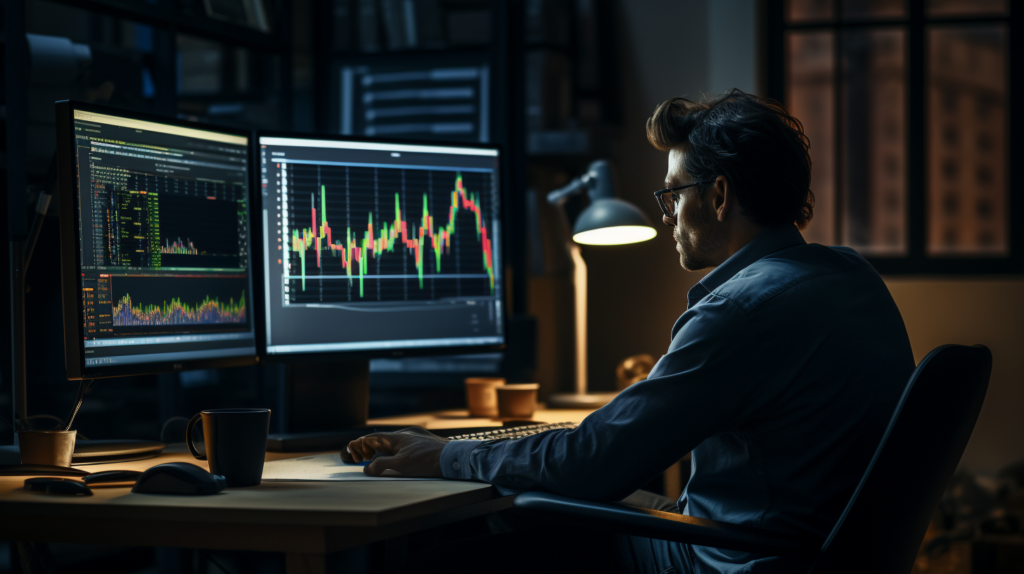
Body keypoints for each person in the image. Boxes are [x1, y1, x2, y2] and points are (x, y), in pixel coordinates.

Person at [342, 90, 916, 574]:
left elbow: (593, 462)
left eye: (672, 193)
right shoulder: (849, 276)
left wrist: (448, 457)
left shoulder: (741, 312)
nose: (665, 214)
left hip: (735, 558)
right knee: (535, 502)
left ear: (718, 196)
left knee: (455, 555)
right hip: (798, 548)